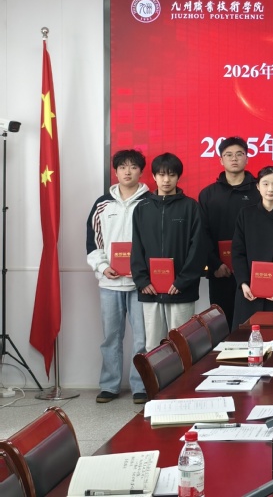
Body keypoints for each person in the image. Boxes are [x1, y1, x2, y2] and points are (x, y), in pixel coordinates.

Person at [86, 149, 149, 404]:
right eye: (122, 167)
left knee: (143, 338)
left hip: (141, 283)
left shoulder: (150, 202)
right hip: (110, 282)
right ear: (115, 171)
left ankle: (141, 385)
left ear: (141, 171)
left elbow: (156, 243)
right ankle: (110, 385)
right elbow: (92, 241)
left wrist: (143, 270)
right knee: (111, 336)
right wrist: (102, 267)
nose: (127, 171)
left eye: (133, 167)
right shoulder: (102, 204)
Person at [131, 153, 208, 351]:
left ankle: (183, 375)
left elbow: (198, 247)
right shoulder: (142, 208)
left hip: (181, 289)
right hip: (150, 290)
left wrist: (183, 280)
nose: (166, 180)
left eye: (172, 175)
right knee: (153, 346)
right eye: (161, 174)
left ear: (178, 177)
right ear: (154, 176)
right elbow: (137, 247)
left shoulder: (191, 207)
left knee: (183, 344)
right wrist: (142, 280)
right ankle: (155, 375)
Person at [198, 136, 260, 331]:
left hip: (254, 273)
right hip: (221, 272)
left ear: (247, 159)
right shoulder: (208, 194)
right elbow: (202, 233)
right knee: (222, 325)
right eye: (229, 155)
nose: (234, 158)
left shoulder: (259, 190)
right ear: (221, 160)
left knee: (252, 325)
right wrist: (215, 264)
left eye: (239, 154)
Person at [230, 166, 273, 327]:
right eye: (266, 184)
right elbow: (238, 252)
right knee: (247, 336)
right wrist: (243, 283)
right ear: (258, 186)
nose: (270, 189)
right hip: (249, 291)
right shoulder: (246, 214)